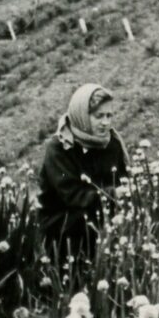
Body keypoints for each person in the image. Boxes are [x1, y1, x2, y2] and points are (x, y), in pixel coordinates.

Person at [39, 83, 128, 277]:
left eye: (109, 116)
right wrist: (113, 195)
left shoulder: (111, 144)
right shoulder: (60, 148)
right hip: (65, 223)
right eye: (98, 116)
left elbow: (123, 179)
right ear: (82, 116)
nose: (105, 123)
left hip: (103, 214)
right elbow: (73, 195)